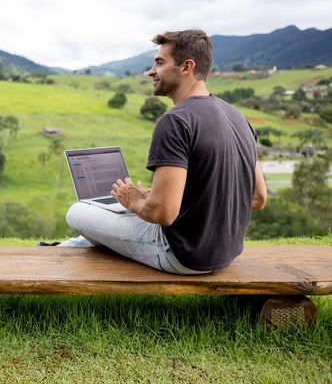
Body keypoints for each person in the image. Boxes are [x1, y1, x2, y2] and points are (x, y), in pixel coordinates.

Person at [64, 29, 267, 274]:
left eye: (160, 63)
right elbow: (258, 198)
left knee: (77, 212)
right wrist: (162, 196)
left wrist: (135, 200)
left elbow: (163, 213)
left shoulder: (176, 121)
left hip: (180, 255)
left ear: (186, 67)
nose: (151, 71)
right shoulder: (238, 117)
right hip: (226, 254)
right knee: (121, 213)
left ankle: (86, 241)